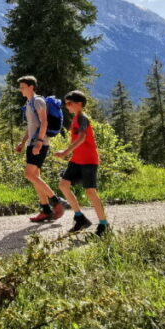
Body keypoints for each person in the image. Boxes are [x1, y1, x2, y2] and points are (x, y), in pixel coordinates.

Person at [53, 90, 109, 236]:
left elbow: (82, 138)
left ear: (79, 104)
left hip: (89, 160)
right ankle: (80, 218)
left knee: (90, 192)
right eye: (66, 104)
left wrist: (65, 152)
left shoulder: (83, 118)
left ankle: (104, 225)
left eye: (70, 103)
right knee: (63, 185)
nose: (67, 106)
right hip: (77, 160)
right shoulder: (76, 118)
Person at [14, 76, 67, 223]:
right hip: (33, 143)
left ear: (31, 87)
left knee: (29, 174)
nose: (20, 89)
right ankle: (45, 210)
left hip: (40, 144)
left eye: (22, 86)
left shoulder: (38, 101)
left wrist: (38, 142)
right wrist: (23, 142)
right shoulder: (29, 102)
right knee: (36, 177)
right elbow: (32, 126)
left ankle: (56, 201)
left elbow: (44, 122)